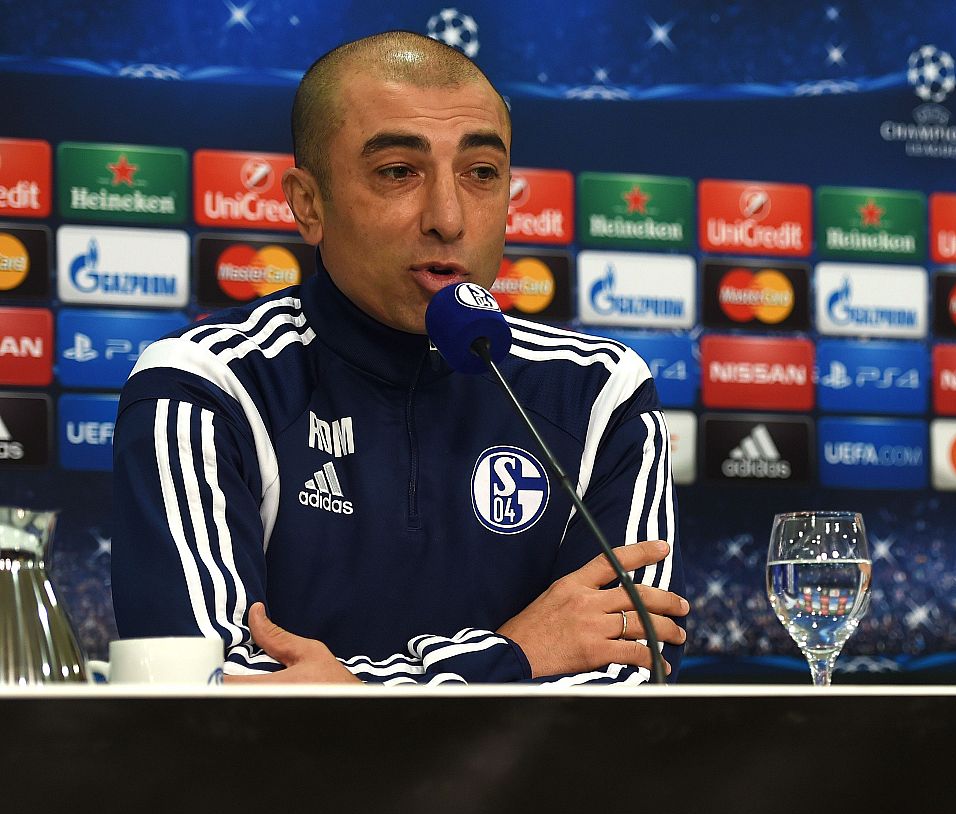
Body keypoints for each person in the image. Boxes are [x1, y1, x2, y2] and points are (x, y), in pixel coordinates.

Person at [112, 31, 688, 684]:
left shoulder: (596, 393)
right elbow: (201, 695)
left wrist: (350, 693)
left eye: (480, 173)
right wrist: (514, 655)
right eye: (397, 172)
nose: (447, 217)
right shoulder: (206, 384)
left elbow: (627, 685)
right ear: (308, 203)